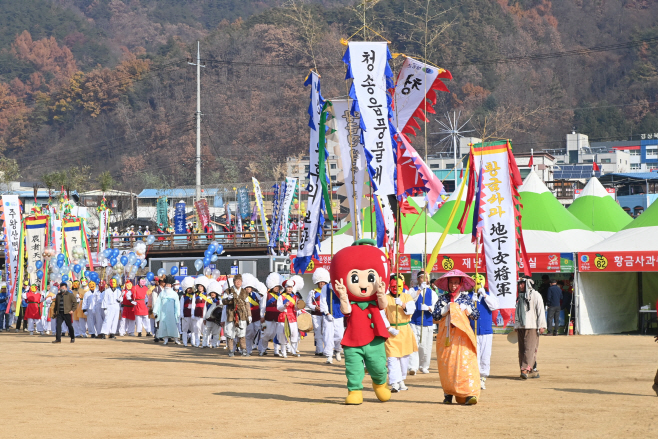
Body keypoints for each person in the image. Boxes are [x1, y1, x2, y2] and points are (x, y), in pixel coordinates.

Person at [432, 269, 480, 405]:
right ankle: (448, 394)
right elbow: (434, 316)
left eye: (456, 283)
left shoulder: (466, 299)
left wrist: (468, 309)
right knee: (447, 365)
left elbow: (476, 315)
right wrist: (445, 309)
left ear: (460, 284)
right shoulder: (443, 299)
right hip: (446, 337)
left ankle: (469, 393)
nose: (453, 286)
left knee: (465, 364)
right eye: (451, 283)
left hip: (462, 338)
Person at [384, 276, 418, 392]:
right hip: (391, 331)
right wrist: (388, 327)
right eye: (393, 286)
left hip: (404, 330)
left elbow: (412, 309)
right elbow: (381, 314)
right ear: (389, 286)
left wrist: (402, 304)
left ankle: (401, 380)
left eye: (398, 286)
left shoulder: (407, 297)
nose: (395, 288)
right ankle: (394, 382)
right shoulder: (385, 298)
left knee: (404, 358)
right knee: (392, 358)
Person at [467, 274, 499, 390]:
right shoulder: (469, 296)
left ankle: (483, 378)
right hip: (473, 331)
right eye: (475, 282)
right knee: (474, 356)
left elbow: (494, 306)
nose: (477, 283)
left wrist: (484, 294)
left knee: (485, 355)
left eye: (479, 281)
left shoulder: (489, 295)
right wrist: (472, 300)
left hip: (486, 331)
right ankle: (475, 377)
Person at [515, 277, 547, 379]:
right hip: (521, 326)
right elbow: (516, 313)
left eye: (522, 284)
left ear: (528, 284)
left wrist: (541, 325)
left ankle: (524, 369)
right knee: (522, 349)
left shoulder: (536, 295)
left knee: (530, 348)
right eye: (519, 284)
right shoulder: (519, 297)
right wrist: (516, 325)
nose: (520, 286)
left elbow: (540, 311)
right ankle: (532, 369)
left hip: (532, 326)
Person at [408, 272, 437, 375]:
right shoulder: (412, 290)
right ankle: (413, 367)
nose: (424, 279)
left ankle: (424, 366)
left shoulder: (432, 292)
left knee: (425, 347)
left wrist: (429, 308)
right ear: (418, 279)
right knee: (414, 344)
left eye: (426, 277)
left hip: (427, 322)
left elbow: (436, 306)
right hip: (414, 322)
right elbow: (410, 299)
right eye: (421, 277)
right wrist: (420, 290)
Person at [318, 269, 344, 365]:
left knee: (340, 335)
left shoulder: (342, 286)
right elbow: (323, 301)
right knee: (328, 335)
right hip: (328, 315)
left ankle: (337, 350)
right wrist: (327, 313)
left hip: (339, 314)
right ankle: (329, 356)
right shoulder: (326, 287)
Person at [222, 274, 249, 357]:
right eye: (236, 281)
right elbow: (223, 302)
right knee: (230, 333)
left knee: (242, 333)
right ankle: (231, 350)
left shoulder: (244, 292)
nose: (238, 282)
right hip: (231, 314)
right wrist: (228, 298)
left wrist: (249, 315)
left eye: (240, 281)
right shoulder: (228, 291)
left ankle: (243, 350)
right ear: (234, 282)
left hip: (242, 315)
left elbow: (247, 304)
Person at [276, 277, 302, 358]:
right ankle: (283, 351)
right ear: (285, 288)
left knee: (294, 334)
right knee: (283, 334)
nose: (289, 289)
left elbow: (296, 308)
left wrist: (299, 306)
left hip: (292, 317)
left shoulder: (295, 297)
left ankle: (293, 351)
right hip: (283, 317)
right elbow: (278, 308)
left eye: (291, 287)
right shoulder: (281, 297)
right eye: (288, 287)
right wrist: (284, 306)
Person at [153, 275, 181, 345]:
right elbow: (158, 303)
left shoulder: (174, 294)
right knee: (164, 326)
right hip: (163, 312)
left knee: (173, 326)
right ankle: (165, 339)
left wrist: (178, 313)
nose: (168, 286)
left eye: (169, 284)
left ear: (171, 285)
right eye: (167, 284)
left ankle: (176, 339)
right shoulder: (162, 293)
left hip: (171, 313)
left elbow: (177, 304)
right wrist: (155, 311)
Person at [259, 273, 283, 357]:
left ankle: (276, 351)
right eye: (275, 286)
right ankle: (263, 349)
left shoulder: (281, 295)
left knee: (278, 334)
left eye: (278, 286)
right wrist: (262, 316)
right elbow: (262, 306)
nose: (277, 288)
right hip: (268, 318)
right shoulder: (266, 295)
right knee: (266, 334)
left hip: (278, 317)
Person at [307, 269, 329, 356]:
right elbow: (308, 303)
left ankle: (327, 349)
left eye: (323, 282)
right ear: (317, 282)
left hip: (326, 315)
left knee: (326, 332)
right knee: (318, 331)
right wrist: (314, 307)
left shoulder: (328, 292)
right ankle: (319, 350)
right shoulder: (312, 292)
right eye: (320, 282)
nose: (322, 283)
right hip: (316, 315)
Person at [245, 278, 265, 356]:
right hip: (247, 316)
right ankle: (248, 350)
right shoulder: (243, 296)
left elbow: (261, 305)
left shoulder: (256, 295)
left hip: (256, 316)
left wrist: (261, 315)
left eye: (249, 288)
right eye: (246, 288)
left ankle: (260, 349)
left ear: (252, 288)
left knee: (259, 333)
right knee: (249, 334)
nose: (248, 289)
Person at [203, 281, 223, 348]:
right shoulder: (207, 300)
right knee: (206, 333)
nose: (212, 294)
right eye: (211, 292)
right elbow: (204, 310)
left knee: (216, 333)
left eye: (214, 293)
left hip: (216, 320)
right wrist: (204, 318)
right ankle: (204, 344)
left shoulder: (219, 301)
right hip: (208, 318)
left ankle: (214, 345)